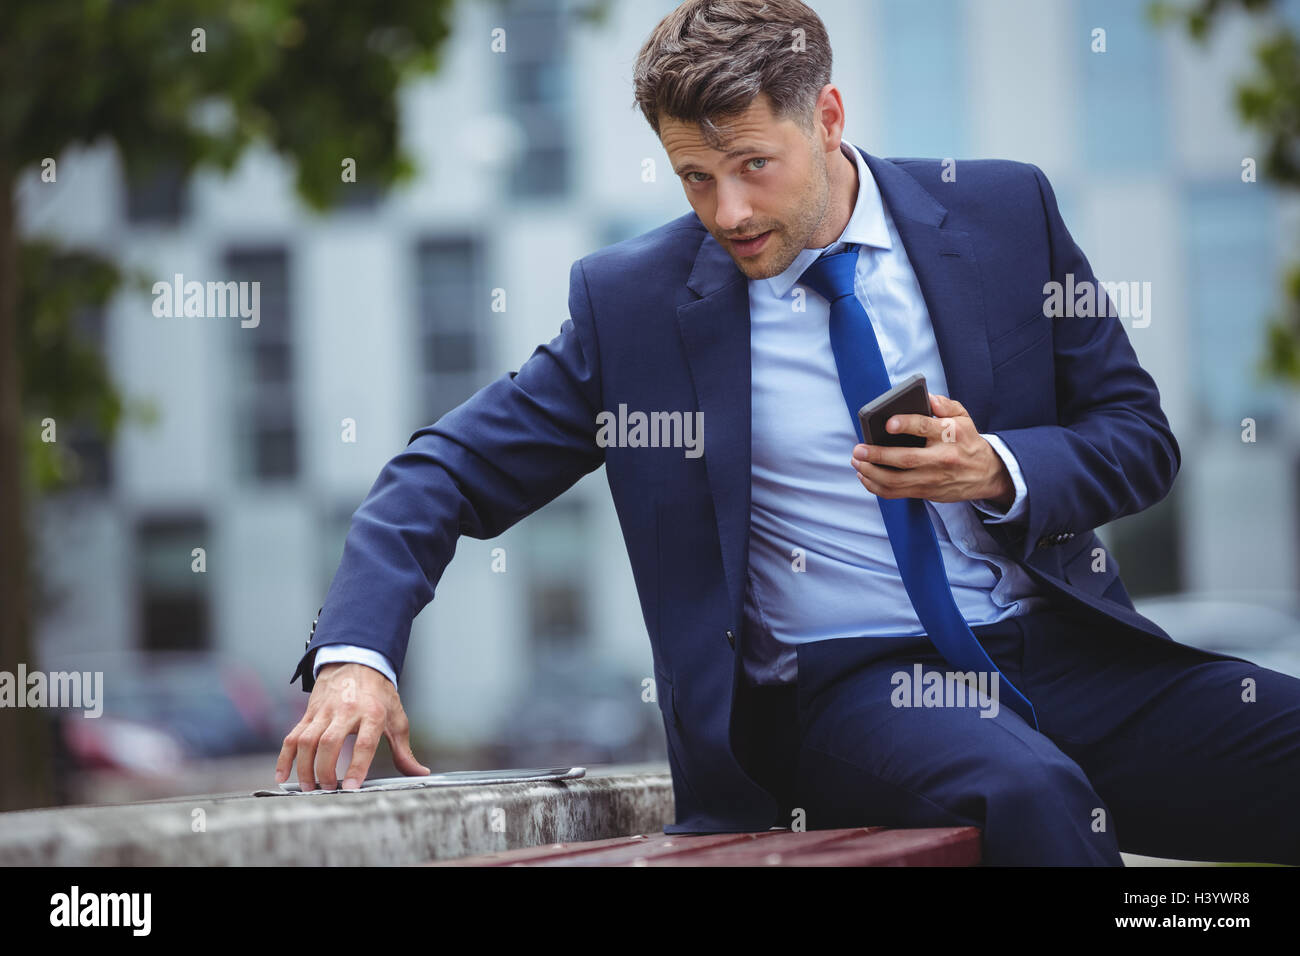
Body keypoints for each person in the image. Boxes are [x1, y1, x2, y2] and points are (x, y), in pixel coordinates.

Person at [276, 0, 1300, 865]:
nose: (725, 210)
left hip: (1068, 655)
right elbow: (440, 470)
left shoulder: (1003, 212)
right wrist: (355, 654)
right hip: (847, 687)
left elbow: (1137, 435)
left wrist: (997, 467)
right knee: (1024, 788)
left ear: (828, 118)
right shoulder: (630, 309)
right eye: (691, 176)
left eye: (751, 165)